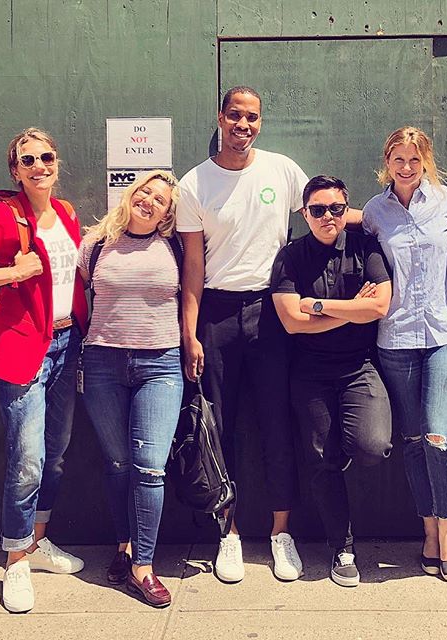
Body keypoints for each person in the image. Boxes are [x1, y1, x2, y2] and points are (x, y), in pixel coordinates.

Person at [177, 86, 313, 583]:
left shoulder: (281, 169)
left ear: (261, 122)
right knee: (220, 427)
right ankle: (227, 534)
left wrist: (380, 217)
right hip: (215, 314)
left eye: (252, 117)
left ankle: (281, 535)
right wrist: (189, 333)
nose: (244, 124)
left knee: (277, 424)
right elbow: (193, 265)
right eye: (235, 115)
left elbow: (324, 214)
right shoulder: (194, 184)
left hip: (272, 309)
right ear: (220, 118)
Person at [0, 128, 88, 613]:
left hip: (66, 342)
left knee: (55, 453)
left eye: (47, 156)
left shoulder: (65, 214)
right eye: (29, 160)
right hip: (25, 350)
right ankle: (14, 559)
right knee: (27, 458)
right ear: (16, 170)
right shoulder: (2, 216)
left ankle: (36, 542)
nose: (41, 165)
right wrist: (16, 272)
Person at [271, 175, 392, 587]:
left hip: (360, 367)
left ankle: (339, 448)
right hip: (310, 374)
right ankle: (342, 547)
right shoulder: (290, 257)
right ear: (305, 213)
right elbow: (292, 322)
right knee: (321, 462)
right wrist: (350, 308)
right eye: (318, 209)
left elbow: (378, 307)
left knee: (372, 446)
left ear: (346, 210)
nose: (327, 216)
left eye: (336, 209)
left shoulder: (365, 247)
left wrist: (320, 306)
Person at [363, 127, 447, 582]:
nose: (406, 168)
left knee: (437, 436)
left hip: (446, 333)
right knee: (410, 440)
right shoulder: (374, 211)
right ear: (386, 162)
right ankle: (427, 528)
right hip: (396, 338)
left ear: (426, 161)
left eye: (414, 160)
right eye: (397, 160)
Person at [78, 170, 183, 607]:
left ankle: (143, 565)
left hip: (161, 363)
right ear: (131, 193)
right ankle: (123, 545)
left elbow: (194, 295)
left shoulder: (175, 246)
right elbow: (73, 296)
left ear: (166, 215)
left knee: (150, 465)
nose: (149, 201)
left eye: (159, 200)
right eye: (144, 191)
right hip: (102, 362)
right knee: (118, 462)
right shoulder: (96, 243)